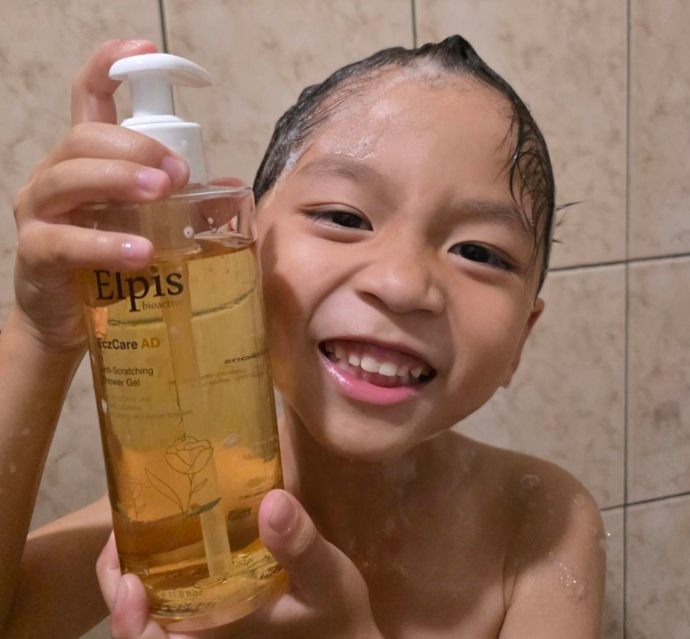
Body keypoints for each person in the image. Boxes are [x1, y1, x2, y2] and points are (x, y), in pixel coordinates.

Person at [0, 36, 606, 639]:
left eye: (478, 252)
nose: (401, 285)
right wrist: (42, 336)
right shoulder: (177, 508)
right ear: (239, 250)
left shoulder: (542, 523)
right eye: (343, 217)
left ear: (522, 338)